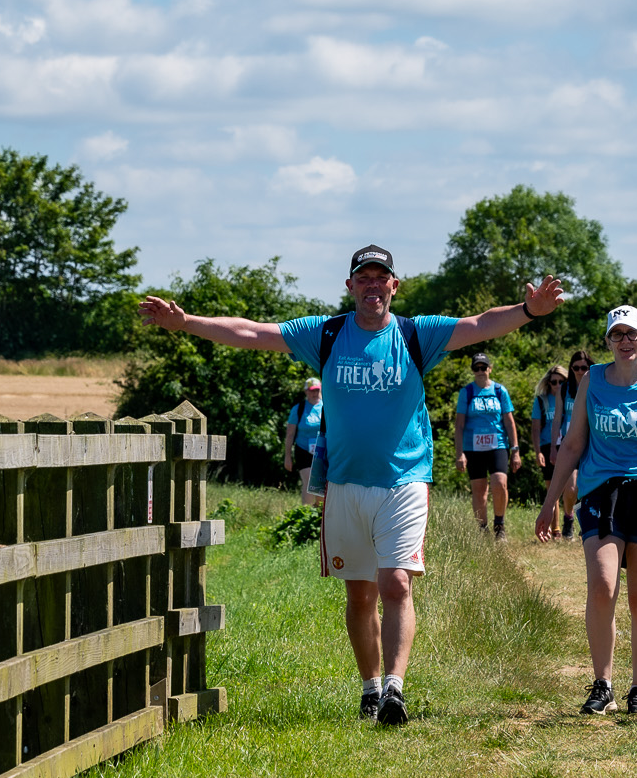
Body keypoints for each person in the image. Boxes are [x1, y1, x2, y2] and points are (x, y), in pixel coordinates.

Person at [138, 245, 565, 727]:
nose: (373, 286)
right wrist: (187, 322)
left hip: (404, 481)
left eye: (381, 278)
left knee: (396, 582)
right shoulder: (325, 333)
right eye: (364, 278)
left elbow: (479, 324)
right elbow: (252, 332)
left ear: (394, 287)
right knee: (360, 596)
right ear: (350, 287)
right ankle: (370, 687)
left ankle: (395, 692)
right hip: (342, 483)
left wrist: (530, 310)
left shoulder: (414, 334)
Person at [535, 307, 637, 718]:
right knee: (603, 585)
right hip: (602, 492)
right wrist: (550, 502)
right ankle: (602, 683)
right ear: (608, 341)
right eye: (616, 335)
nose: (624, 341)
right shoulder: (592, 381)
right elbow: (572, 445)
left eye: (632, 334)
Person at [453, 354, 519, 538]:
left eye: (484, 367)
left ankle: (500, 527)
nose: (480, 371)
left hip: (497, 444)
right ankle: (482, 530)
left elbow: (509, 422)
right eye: (477, 368)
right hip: (473, 447)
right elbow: (459, 425)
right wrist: (460, 454)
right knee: (479, 490)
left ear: (490, 368)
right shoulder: (466, 392)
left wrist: (515, 450)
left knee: (499, 483)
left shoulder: (499, 391)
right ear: (473, 370)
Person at [530, 352, 593, 539]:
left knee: (589, 487)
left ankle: (587, 522)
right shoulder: (564, 389)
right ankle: (569, 519)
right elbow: (557, 418)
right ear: (571, 369)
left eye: (584, 367)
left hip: (592, 444)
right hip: (570, 443)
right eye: (576, 368)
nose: (580, 371)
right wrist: (553, 447)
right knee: (571, 488)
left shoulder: (595, 386)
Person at [283, 378, 326, 507]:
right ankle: (305, 513)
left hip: (322, 450)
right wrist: (287, 457)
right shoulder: (298, 409)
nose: (314, 394)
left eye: (317, 390)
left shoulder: (327, 407)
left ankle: (317, 515)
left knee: (320, 486)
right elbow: (290, 435)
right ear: (306, 391)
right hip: (303, 449)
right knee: (308, 483)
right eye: (311, 391)